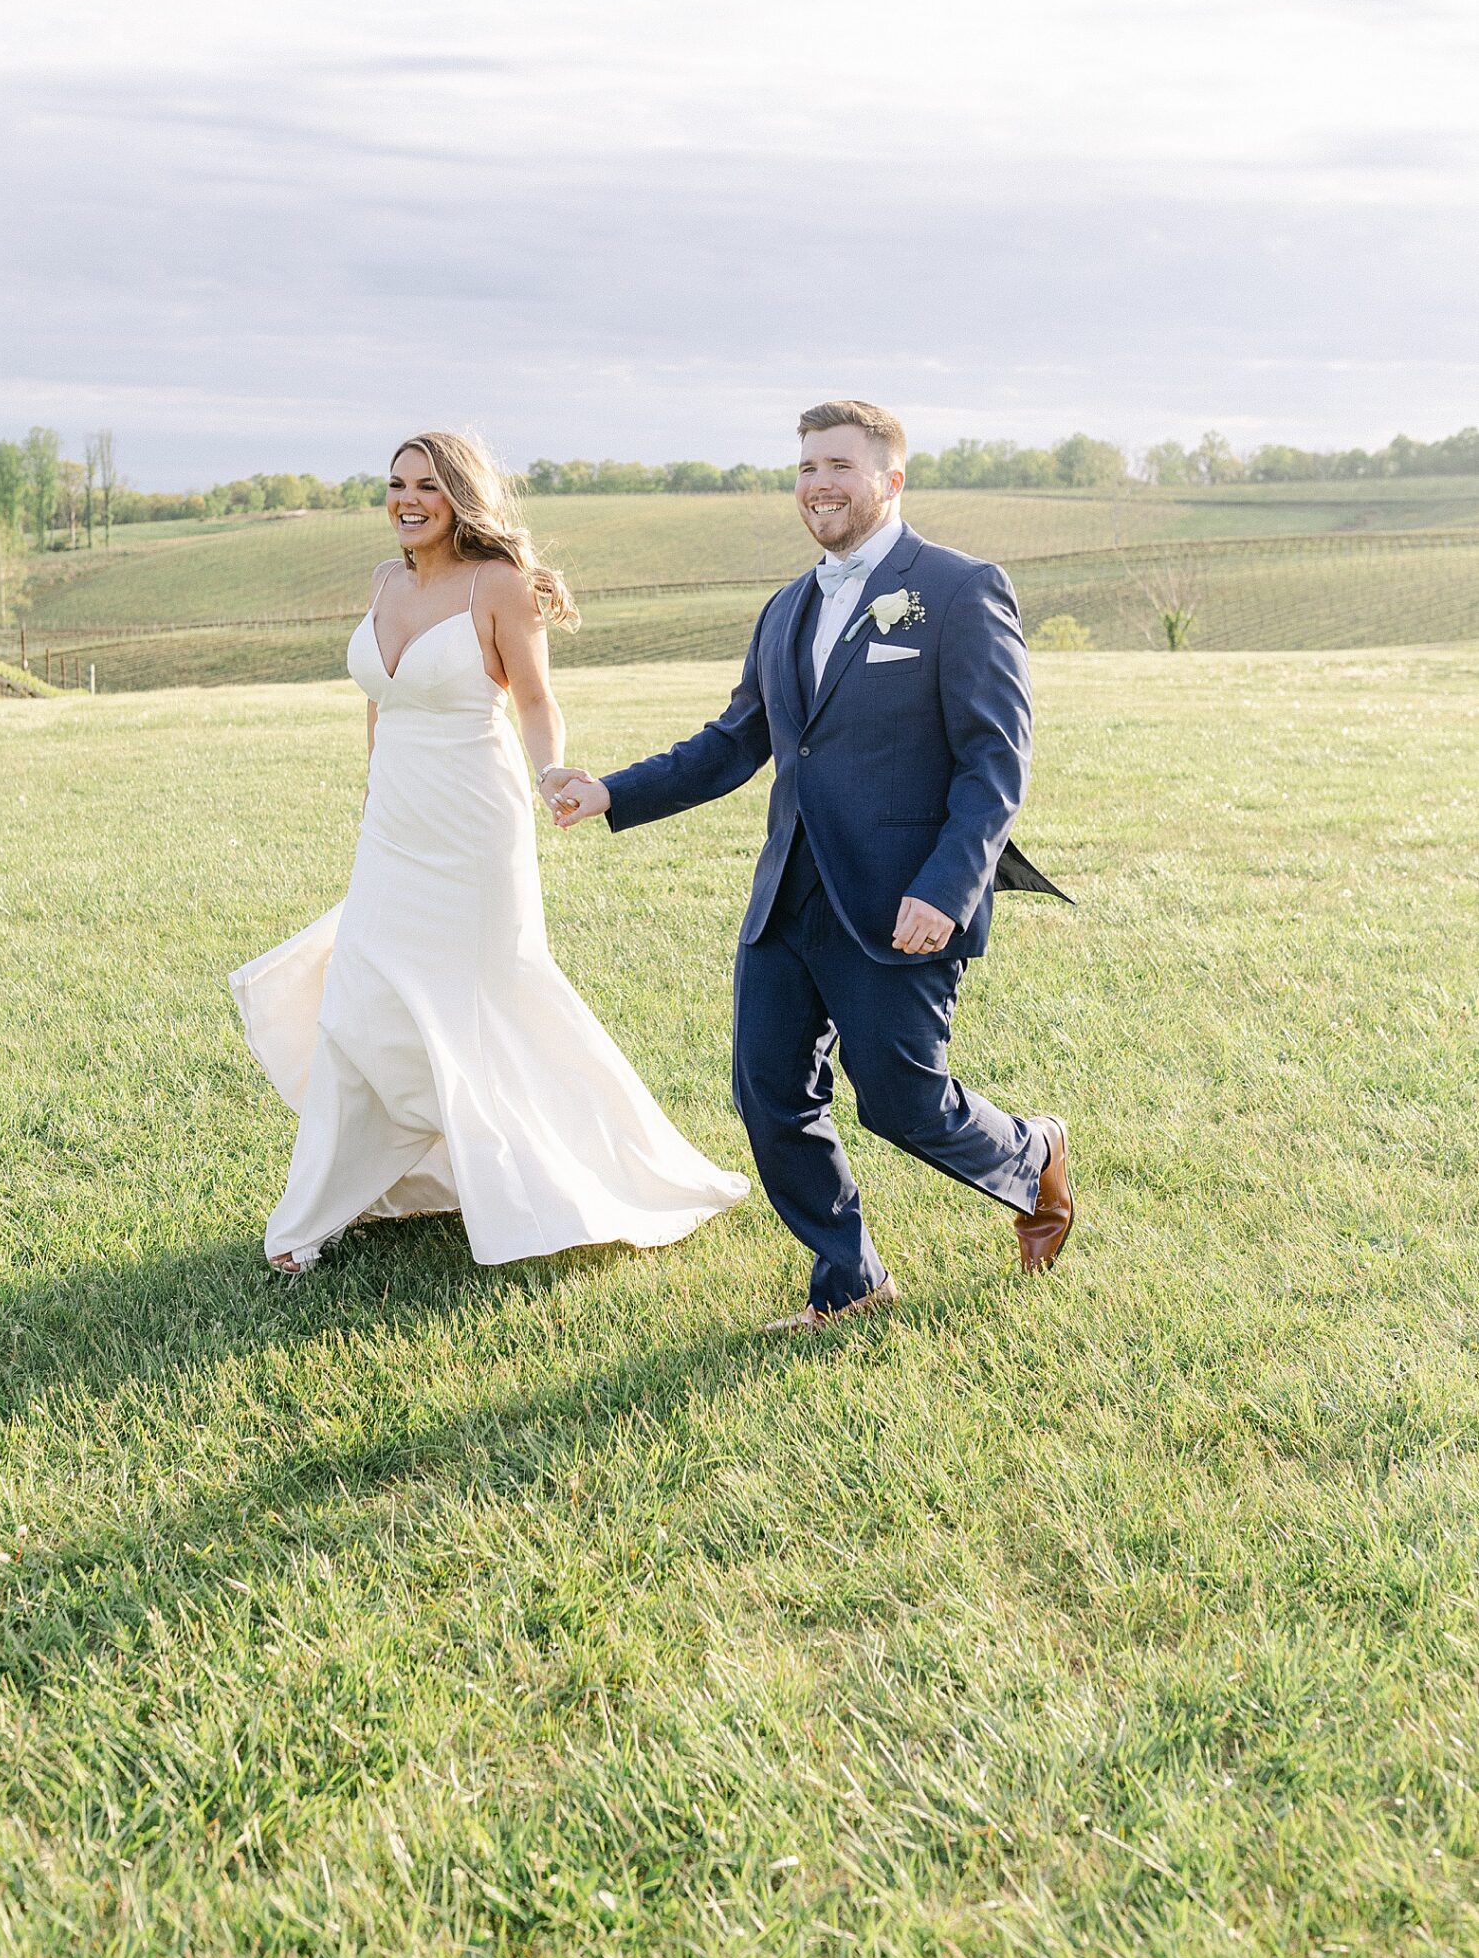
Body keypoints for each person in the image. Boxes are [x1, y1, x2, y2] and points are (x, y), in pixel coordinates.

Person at [549, 398, 1072, 1330]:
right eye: (804, 468)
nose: (817, 485)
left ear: (889, 480)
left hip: (900, 899)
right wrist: (613, 792)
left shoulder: (957, 588)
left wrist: (947, 888)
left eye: (838, 466)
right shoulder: (787, 606)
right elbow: (734, 741)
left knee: (904, 1103)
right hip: (788, 899)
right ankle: (853, 1281)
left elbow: (996, 759)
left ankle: (1031, 1157)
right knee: (767, 1097)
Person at [229, 429, 749, 1277]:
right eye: (395, 484)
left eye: (426, 486)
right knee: (357, 1006)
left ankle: (557, 1172)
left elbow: (535, 699)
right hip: (394, 826)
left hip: (474, 824)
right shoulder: (381, 582)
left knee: (488, 1000)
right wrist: (372, 788)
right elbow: (381, 702)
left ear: (460, 498)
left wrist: (553, 773)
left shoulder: (496, 585)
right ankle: (318, 1210)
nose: (406, 499)